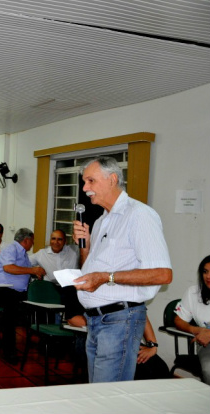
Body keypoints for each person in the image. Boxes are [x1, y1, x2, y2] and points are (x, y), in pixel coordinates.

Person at [72, 156, 172, 383]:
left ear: (112, 179)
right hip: (96, 321)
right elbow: (90, 271)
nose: (85, 188)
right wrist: (85, 247)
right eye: (84, 182)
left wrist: (106, 277)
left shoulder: (139, 215)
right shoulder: (101, 221)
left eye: (90, 180)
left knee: (108, 397)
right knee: (97, 393)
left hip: (120, 320)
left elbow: (163, 274)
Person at [0, 227, 46, 363]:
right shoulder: (11, 248)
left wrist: (35, 273)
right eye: (32, 241)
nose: (32, 244)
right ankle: (9, 351)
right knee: (10, 315)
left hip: (18, 292)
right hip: (4, 290)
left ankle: (42, 344)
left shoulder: (24, 254)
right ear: (26, 240)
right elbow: (8, 268)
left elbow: (26, 271)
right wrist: (31, 270)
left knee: (39, 307)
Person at [174, 255, 210, 384]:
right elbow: (179, 320)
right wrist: (197, 329)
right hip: (206, 344)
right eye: (205, 271)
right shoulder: (193, 292)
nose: (208, 276)